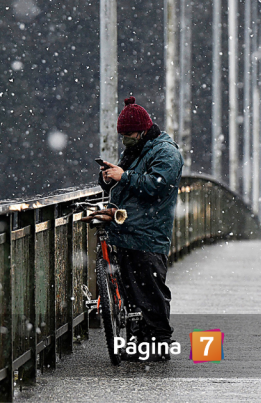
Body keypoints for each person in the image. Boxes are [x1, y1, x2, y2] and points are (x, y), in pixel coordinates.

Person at [98, 96, 183, 361]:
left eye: (128, 134)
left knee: (150, 290)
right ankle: (140, 342)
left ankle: (159, 344)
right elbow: (128, 183)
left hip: (149, 232)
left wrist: (124, 175)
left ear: (143, 130)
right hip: (128, 228)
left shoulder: (166, 153)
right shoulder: (138, 150)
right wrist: (109, 177)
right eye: (122, 135)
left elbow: (156, 186)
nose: (125, 140)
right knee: (132, 290)